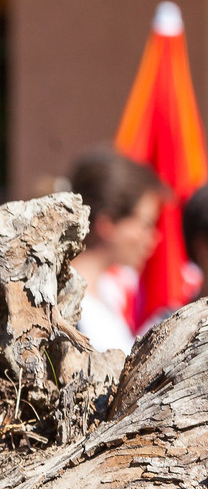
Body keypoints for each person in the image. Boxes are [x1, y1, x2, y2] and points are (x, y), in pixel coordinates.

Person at [68, 151, 167, 353]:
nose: (154, 237)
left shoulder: (108, 291)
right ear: (109, 223)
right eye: (146, 224)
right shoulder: (65, 304)